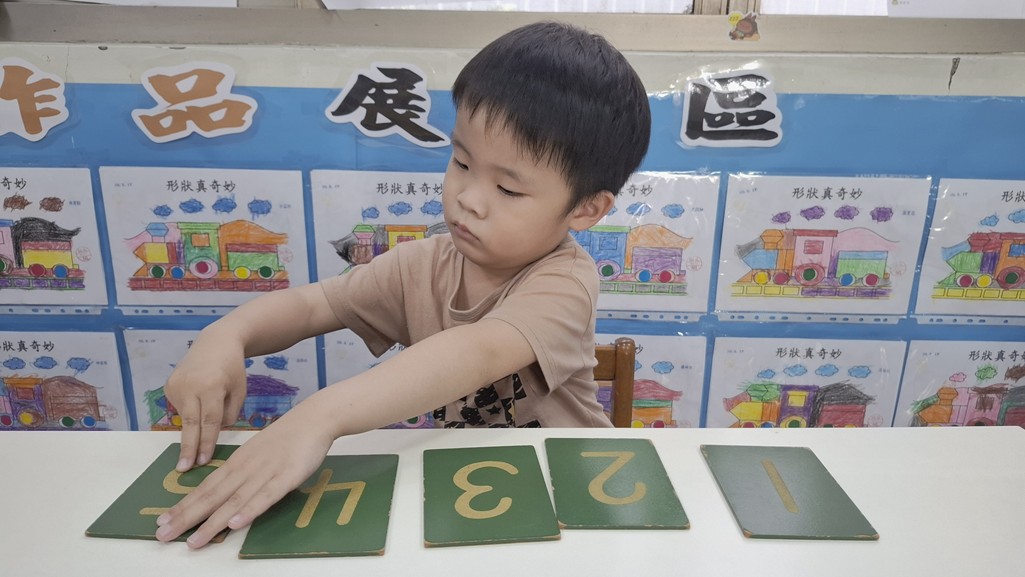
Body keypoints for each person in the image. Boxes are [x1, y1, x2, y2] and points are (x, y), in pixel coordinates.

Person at [154, 20, 651, 548]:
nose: (468, 198)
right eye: (461, 162)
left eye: (508, 189)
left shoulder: (566, 281)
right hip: (468, 489)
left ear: (585, 209)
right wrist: (225, 336)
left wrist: (319, 417)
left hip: (571, 496)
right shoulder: (421, 264)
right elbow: (314, 305)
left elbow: (480, 350)